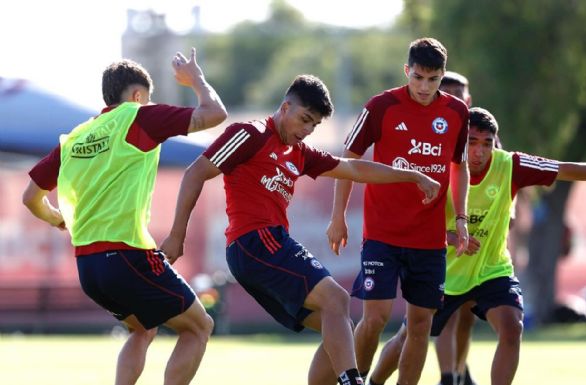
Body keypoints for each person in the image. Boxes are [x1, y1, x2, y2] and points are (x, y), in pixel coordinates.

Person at [159, 74, 441, 385]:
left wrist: (412, 175)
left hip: (265, 247)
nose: (306, 131)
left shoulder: (300, 153)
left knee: (338, 325)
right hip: (254, 242)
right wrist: (176, 236)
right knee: (338, 299)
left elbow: (353, 168)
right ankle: (353, 381)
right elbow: (195, 173)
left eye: (314, 126)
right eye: (304, 119)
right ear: (285, 107)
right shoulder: (250, 134)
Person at [366, 107, 586, 385]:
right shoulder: (438, 167)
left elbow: (565, 169)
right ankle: (375, 380)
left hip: (491, 269)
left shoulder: (511, 165)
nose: (479, 151)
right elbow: (411, 222)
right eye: (471, 142)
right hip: (445, 273)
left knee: (512, 327)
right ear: (458, 141)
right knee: (409, 336)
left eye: (486, 143)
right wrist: (451, 238)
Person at [22, 48, 227, 385]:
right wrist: (196, 79)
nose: (148, 105)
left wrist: (58, 219)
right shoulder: (138, 116)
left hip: (89, 267)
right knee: (199, 326)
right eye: (146, 99)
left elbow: (31, 197)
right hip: (127, 254)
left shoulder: (75, 138)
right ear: (136, 95)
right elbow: (215, 113)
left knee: (143, 329)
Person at [326, 37, 470, 385]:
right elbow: (347, 161)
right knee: (374, 318)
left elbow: (459, 166)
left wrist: (461, 219)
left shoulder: (456, 113)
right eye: (418, 77)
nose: (424, 86)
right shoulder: (381, 106)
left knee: (420, 325)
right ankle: (355, 380)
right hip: (382, 235)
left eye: (432, 79)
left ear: (442, 76)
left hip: (429, 239)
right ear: (407, 71)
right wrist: (338, 217)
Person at [432, 71, 478, 385]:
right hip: (436, 238)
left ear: (468, 100)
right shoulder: (428, 133)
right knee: (441, 312)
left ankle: (461, 372)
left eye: (457, 96)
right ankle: (449, 377)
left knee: (466, 315)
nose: (451, 102)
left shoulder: (483, 134)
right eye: (444, 95)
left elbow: (504, 177)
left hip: (473, 236)